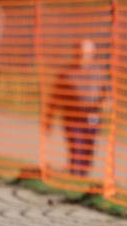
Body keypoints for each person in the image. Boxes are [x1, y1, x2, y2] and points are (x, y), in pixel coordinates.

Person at [41, 38, 105, 178]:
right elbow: (55, 98)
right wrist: (48, 119)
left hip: (91, 119)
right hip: (72, 119)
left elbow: (106, 94)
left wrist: (106, 103)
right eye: (80, 53)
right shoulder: (66, 74)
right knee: (76, 149)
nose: (83, 56)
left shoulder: (98, 73)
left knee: (88, 151)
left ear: (92, 54)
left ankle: (82, 175)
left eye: (87, 53)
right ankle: (75, 175)